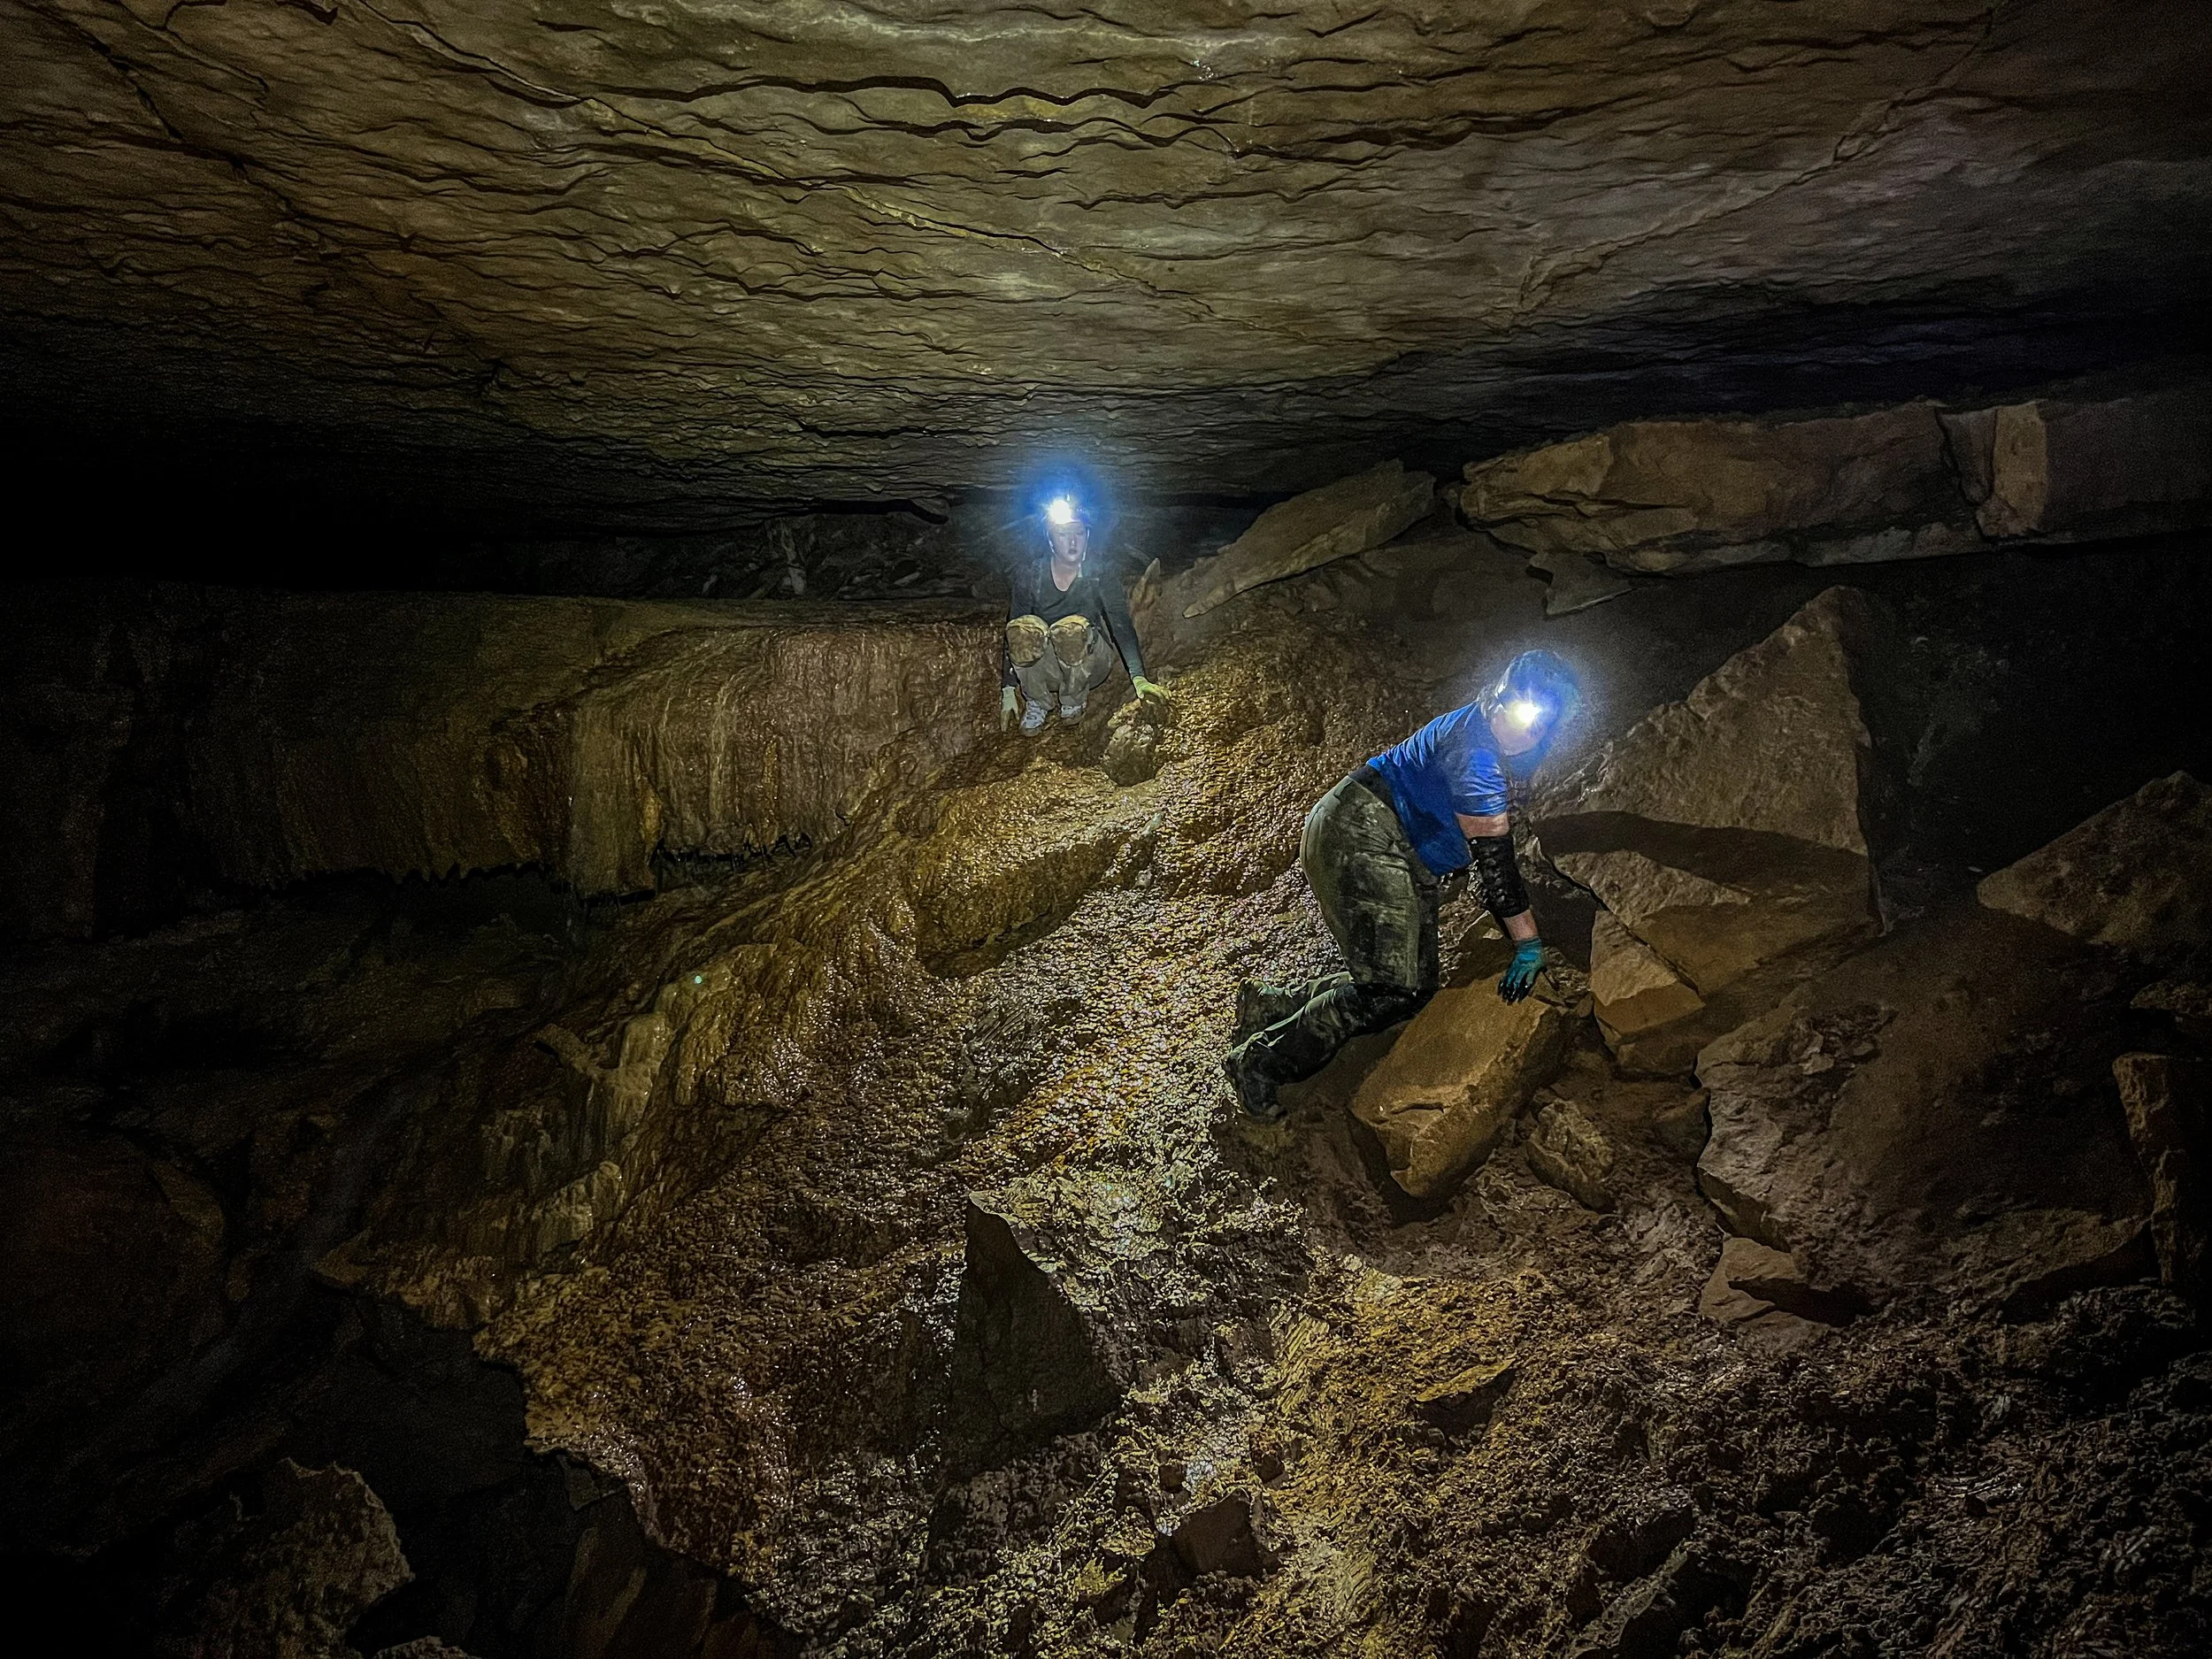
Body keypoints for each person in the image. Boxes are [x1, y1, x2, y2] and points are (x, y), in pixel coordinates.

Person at [1222, 650, 1582, 1123]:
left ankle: (1275, 1002)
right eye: (1519, 714)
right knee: (1390, 988)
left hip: (1388, 839)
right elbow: (1497, 869)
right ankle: (1260, 1062)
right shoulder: (1475, 758)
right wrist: (1529, 945)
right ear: (1500, 695)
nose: (1523, 731)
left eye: (1537, 726)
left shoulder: (1486, 735)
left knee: (1413, 988)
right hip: (1358, 833)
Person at [1002, 491, 1171, 734]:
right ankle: (1037, 700)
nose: (1073, 542)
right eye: (1063, 534)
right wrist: (1008, 690)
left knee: (1070, 629)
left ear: (1087, 535)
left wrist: (1139, 678)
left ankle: (1073, 700)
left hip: (1090, 664)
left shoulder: (1100, 573)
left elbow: (1120, 624)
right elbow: (1013, 632)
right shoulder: (1031, 577)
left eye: (1079, 533)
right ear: (1050, 539)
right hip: (1048, 670)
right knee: (1026, 627)